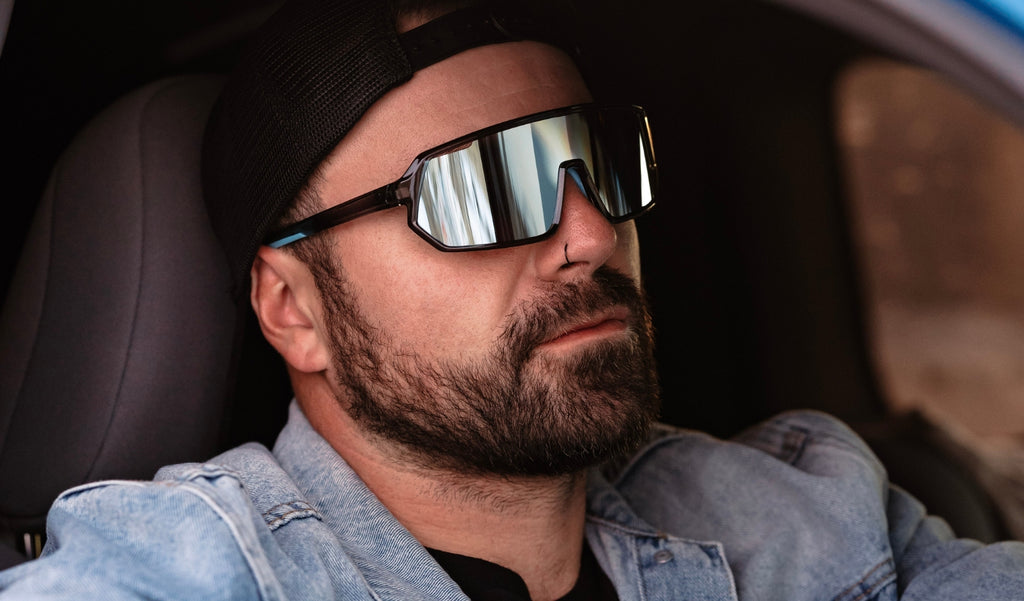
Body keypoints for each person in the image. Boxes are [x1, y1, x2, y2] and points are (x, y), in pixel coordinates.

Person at [2, 0, 1023, 599]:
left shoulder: (805, 515)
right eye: (481, 189)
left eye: (596, 165)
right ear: (293, 309)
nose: (588, 235)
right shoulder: (180, 573)